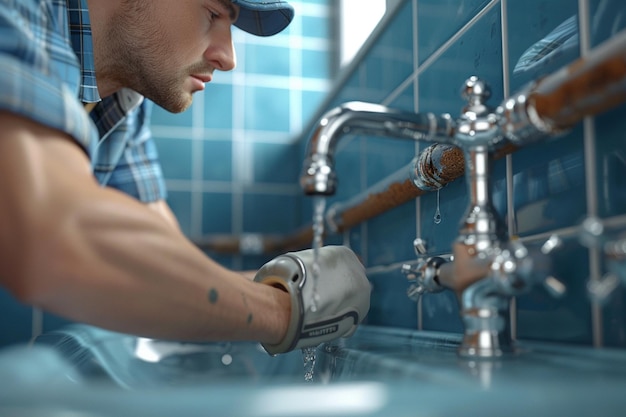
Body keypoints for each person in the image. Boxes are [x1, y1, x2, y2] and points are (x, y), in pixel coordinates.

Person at [0, 0, 370, 355]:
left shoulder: (123, 100)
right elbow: (50, 241)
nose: (227, 58)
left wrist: (290, 287)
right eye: (212, 14)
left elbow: (159, 263)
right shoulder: (18, 9)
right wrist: (285, 312)